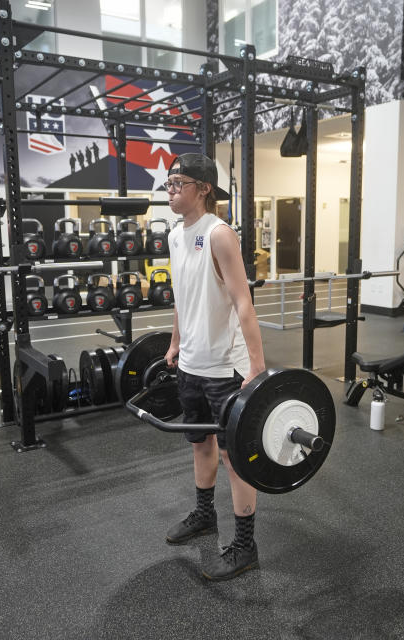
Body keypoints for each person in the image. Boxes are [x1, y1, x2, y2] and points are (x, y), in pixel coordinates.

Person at [163, 153, 266, 581]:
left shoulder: (219, 234)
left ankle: (245, 544)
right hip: (191, 363)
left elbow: (243, 300)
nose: (170, 190)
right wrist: (175, 341)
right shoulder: (173, 235)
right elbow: (181, 296)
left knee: (233, 456)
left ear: (203, 189)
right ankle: (205, 515)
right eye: (167, 183)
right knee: (199, 443)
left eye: (178, 182)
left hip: (225, 367)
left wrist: (257, 367)